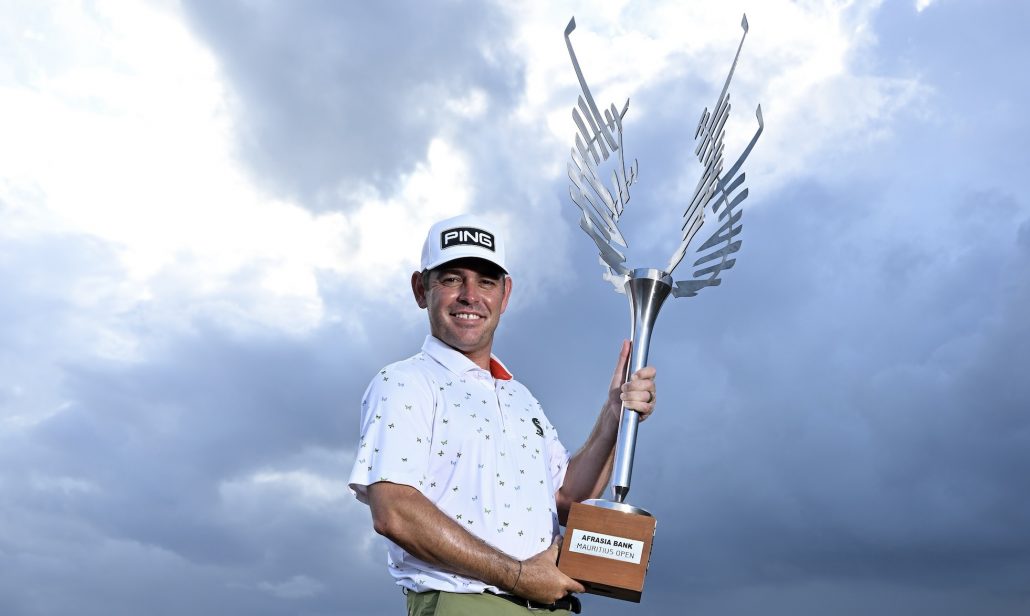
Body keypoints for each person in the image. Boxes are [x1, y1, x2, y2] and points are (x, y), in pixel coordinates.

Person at [347, 214, 657, 615]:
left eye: (486, 281)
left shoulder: (520, 397)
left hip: (550, 603)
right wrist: (518, 577)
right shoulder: (405, 382)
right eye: (452, 278)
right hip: (468, 604)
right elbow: (394, 511)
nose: (470, 295)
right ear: (421, 289)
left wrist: (613, 417)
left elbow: (567, 500)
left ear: (505, 295)